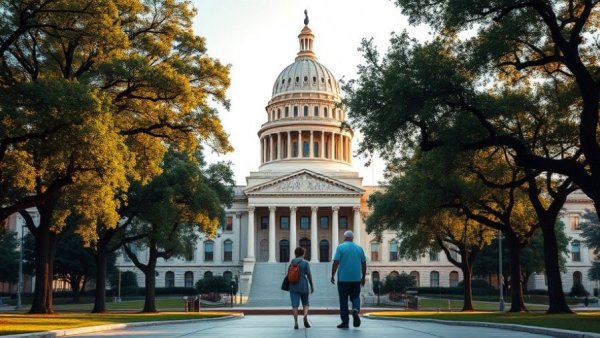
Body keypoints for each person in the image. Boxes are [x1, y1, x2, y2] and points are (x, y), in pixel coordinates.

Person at [331, 230, 366, 329]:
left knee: (343, 300)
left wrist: (332, 274)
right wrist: (363, 277)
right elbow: (364, 263)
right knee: (355, 297)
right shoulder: (359, 249)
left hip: (343, 279)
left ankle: (345, 322)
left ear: (345, 237)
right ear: (352, 238)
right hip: (356, 278)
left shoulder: (340, 247)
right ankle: (355, 310)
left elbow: (336, 262)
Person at [288, 246, 314, 329]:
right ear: (303, 254)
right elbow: (309, 275)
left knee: (294, 305)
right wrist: (312, 285)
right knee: (306, 303)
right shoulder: (305, 263)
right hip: (303, 285)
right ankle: (305, 316)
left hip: (293, 285)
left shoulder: (292, 262)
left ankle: (296, 322)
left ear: (295, 253)